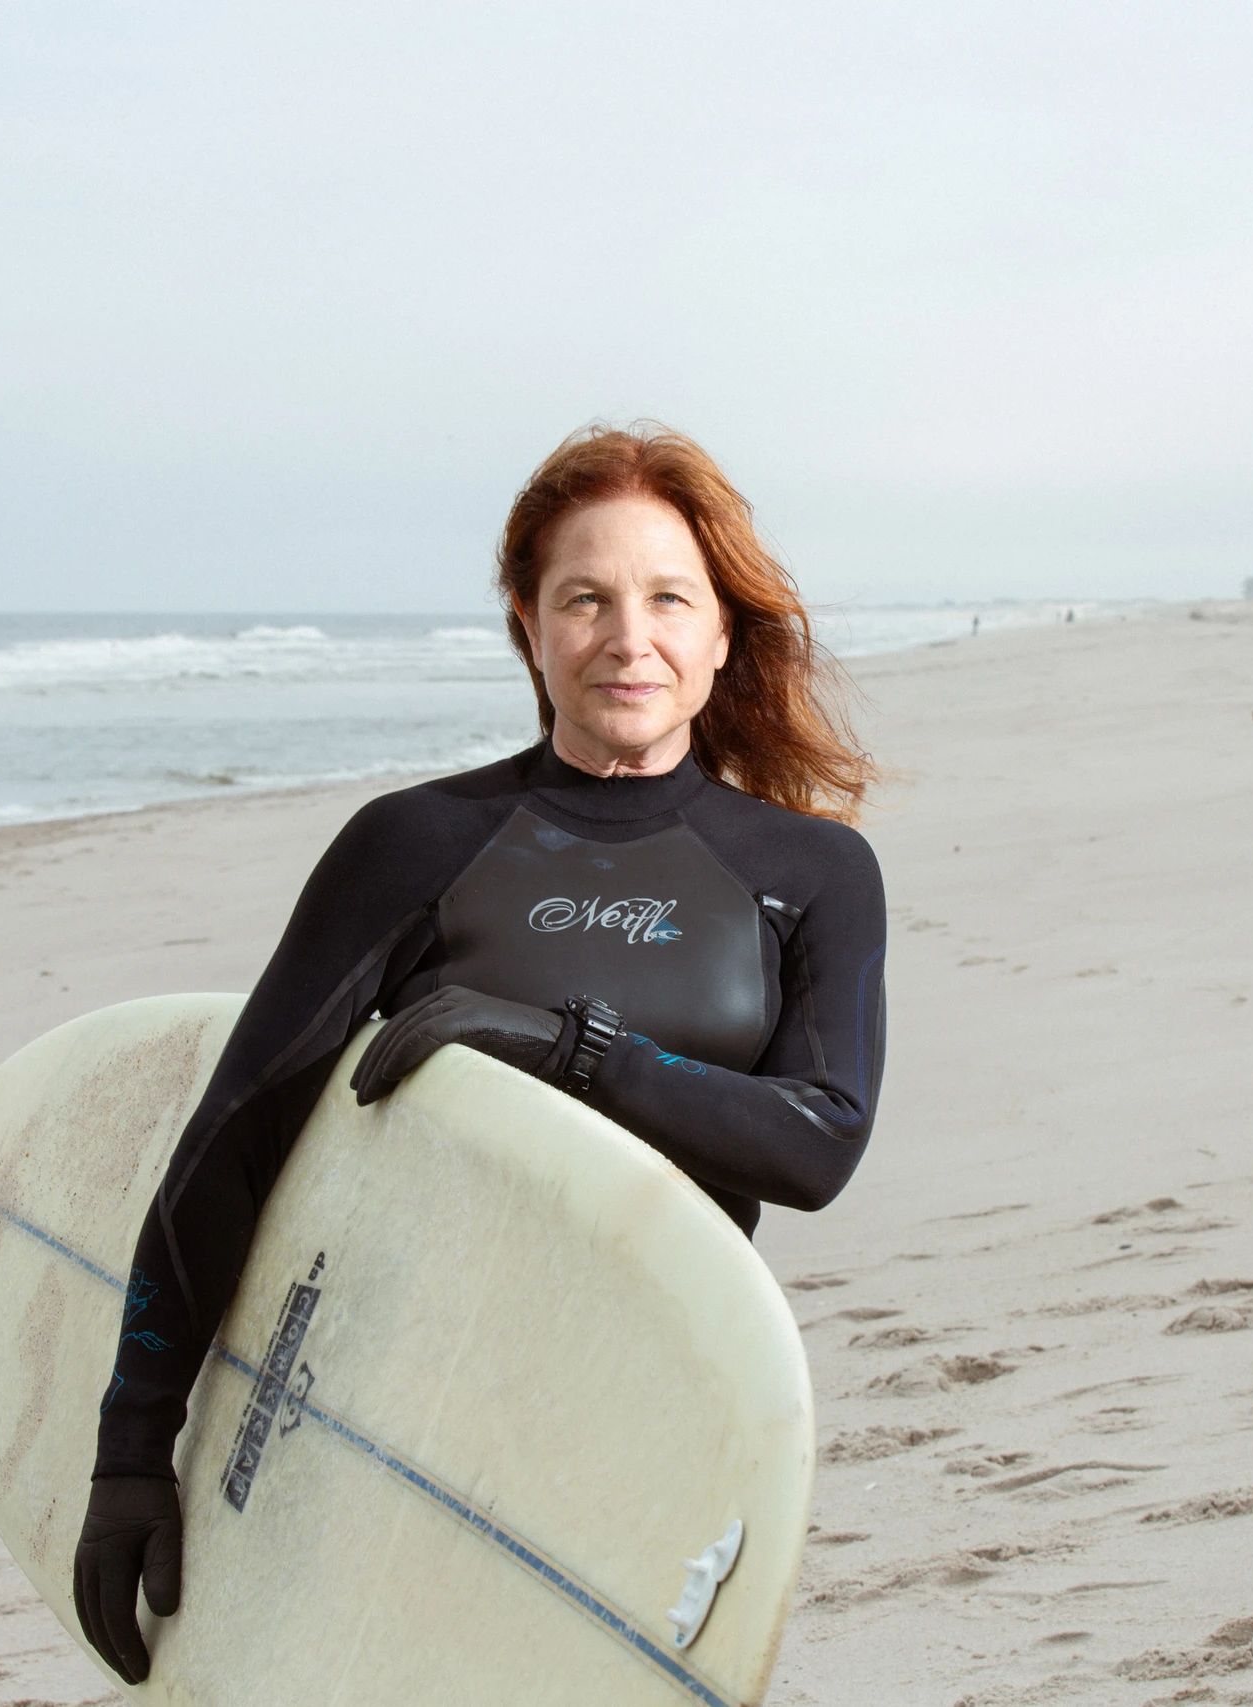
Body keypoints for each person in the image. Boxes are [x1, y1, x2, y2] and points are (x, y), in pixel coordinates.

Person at [69, 423, 890, 1683]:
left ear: (722, 629)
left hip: (656, 1415)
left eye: (670, 597)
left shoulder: (809, 874)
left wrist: (569, 1051)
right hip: (391, 1425)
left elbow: (818, 1142)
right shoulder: (416, 843)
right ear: (527, 624)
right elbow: (232, 1146)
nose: (630, 637)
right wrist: (133, 1451)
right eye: (586, 599)